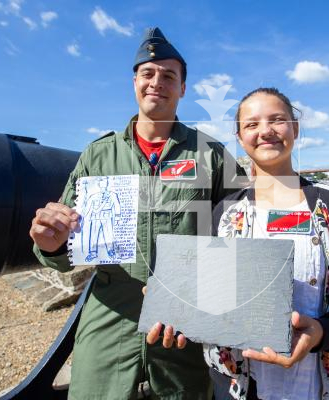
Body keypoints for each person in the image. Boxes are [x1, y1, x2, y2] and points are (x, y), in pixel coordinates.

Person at [30, 27, 244, 400]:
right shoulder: (97, 156)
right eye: (148, 74)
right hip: (110, 320)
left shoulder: (210, 154)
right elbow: (63, 250)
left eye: (168, 76)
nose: (156, 82)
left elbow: (240, 240)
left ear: (182, 88)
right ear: (134, 82)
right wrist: (51, 244)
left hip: (183, 327)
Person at [203, 88, 329, 400]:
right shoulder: (224, 214)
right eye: (251, 124)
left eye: (277, 120)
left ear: (295, 128)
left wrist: (323, 332)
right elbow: (209, 298)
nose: (265, 131)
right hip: (239, 387)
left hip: (321, 388)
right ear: (239, 137)